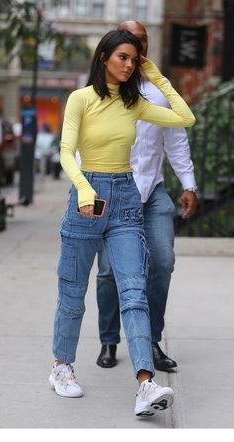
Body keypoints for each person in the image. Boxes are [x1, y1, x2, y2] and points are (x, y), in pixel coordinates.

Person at [49, 29, 195, 417]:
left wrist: (157, 75)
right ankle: (61, 367)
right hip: (88, 196)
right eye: (123, 58)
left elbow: (186, 117)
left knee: (133, 291)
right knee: (73, 292)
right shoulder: (80, 99)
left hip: (127, 198)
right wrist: (82, 188)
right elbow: (66, 151)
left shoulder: (135, 103)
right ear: (103, 58)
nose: (130, 65)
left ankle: (145, 384)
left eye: (134, 59)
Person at [96, 21, 198, 372]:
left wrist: (189, 183)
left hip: (152, 191)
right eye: (130, 43)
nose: (137, 50)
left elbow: (177, 139)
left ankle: (151, 340)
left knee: (162, 262)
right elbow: (83, 147)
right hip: (112, 192)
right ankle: (109, 340)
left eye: (142, 42)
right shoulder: (98, 93)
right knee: (109, 272)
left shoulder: (157, 92)